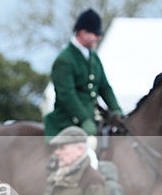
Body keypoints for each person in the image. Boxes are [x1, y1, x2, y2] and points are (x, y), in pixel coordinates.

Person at [44, 8, 123, 141]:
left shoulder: (93, 57)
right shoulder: (65, 59)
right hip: (68, 120)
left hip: (93, 118)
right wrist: (84, 119)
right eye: (94, 33)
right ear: (82, 32)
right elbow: (67, 95)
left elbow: (105, 87)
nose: (97, 37)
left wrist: (116, 110)